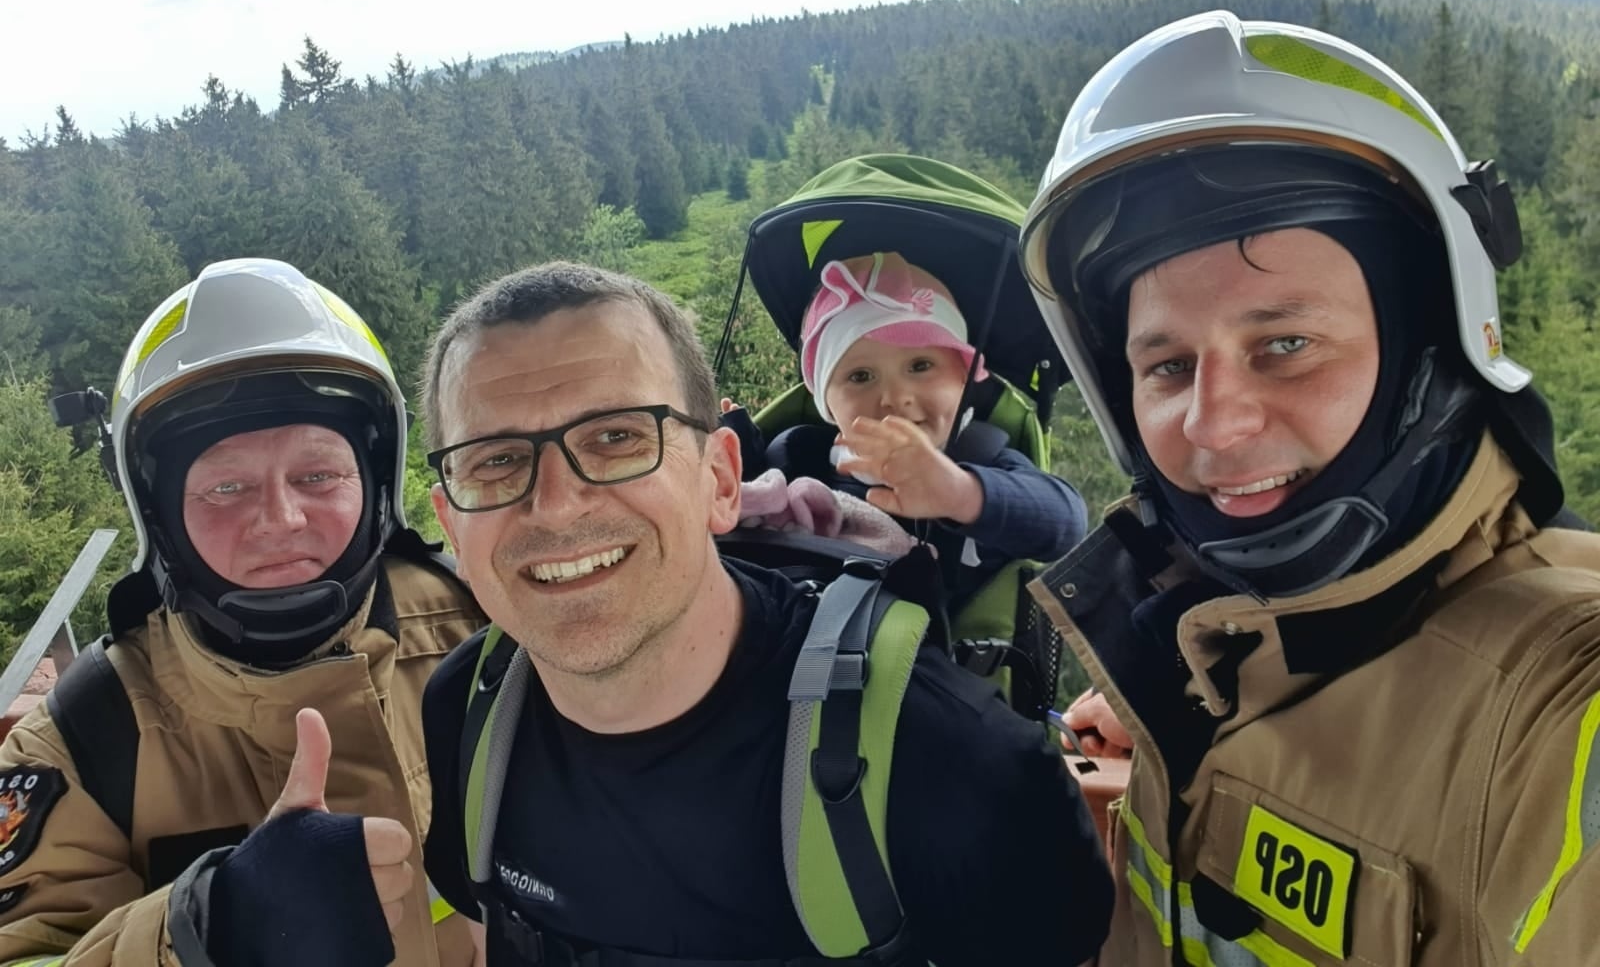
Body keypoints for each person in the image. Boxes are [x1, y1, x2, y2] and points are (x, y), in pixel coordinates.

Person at [1018, 10, 1600, 966]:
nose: (1215, 422)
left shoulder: (1560, 712)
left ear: (1432, 347)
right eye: (1166, 366)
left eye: (1284, 345)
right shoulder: (1214, 647)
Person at [416, 260, 1113, 966]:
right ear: (451, 527)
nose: (557, 504)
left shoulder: (954, 763)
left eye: (617, 437)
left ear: (720, 480)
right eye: (495, 460)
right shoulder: (469, 717)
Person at [0, 259, 483, 967]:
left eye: (318, 475)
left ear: (375, 482)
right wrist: (201, 930)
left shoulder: (488, 633)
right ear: (159, 513)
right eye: (226, 486)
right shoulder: (83, 738)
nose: (280, 519)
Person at [723, 251, 1088, 613]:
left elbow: (1066, 523)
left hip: (920, 661)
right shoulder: (804, 456)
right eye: (861, 376)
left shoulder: (981, 460)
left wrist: (960, 494)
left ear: (964, 381)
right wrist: (744, 450)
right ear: (826, 405)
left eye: (920, 365)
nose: (895, 399)